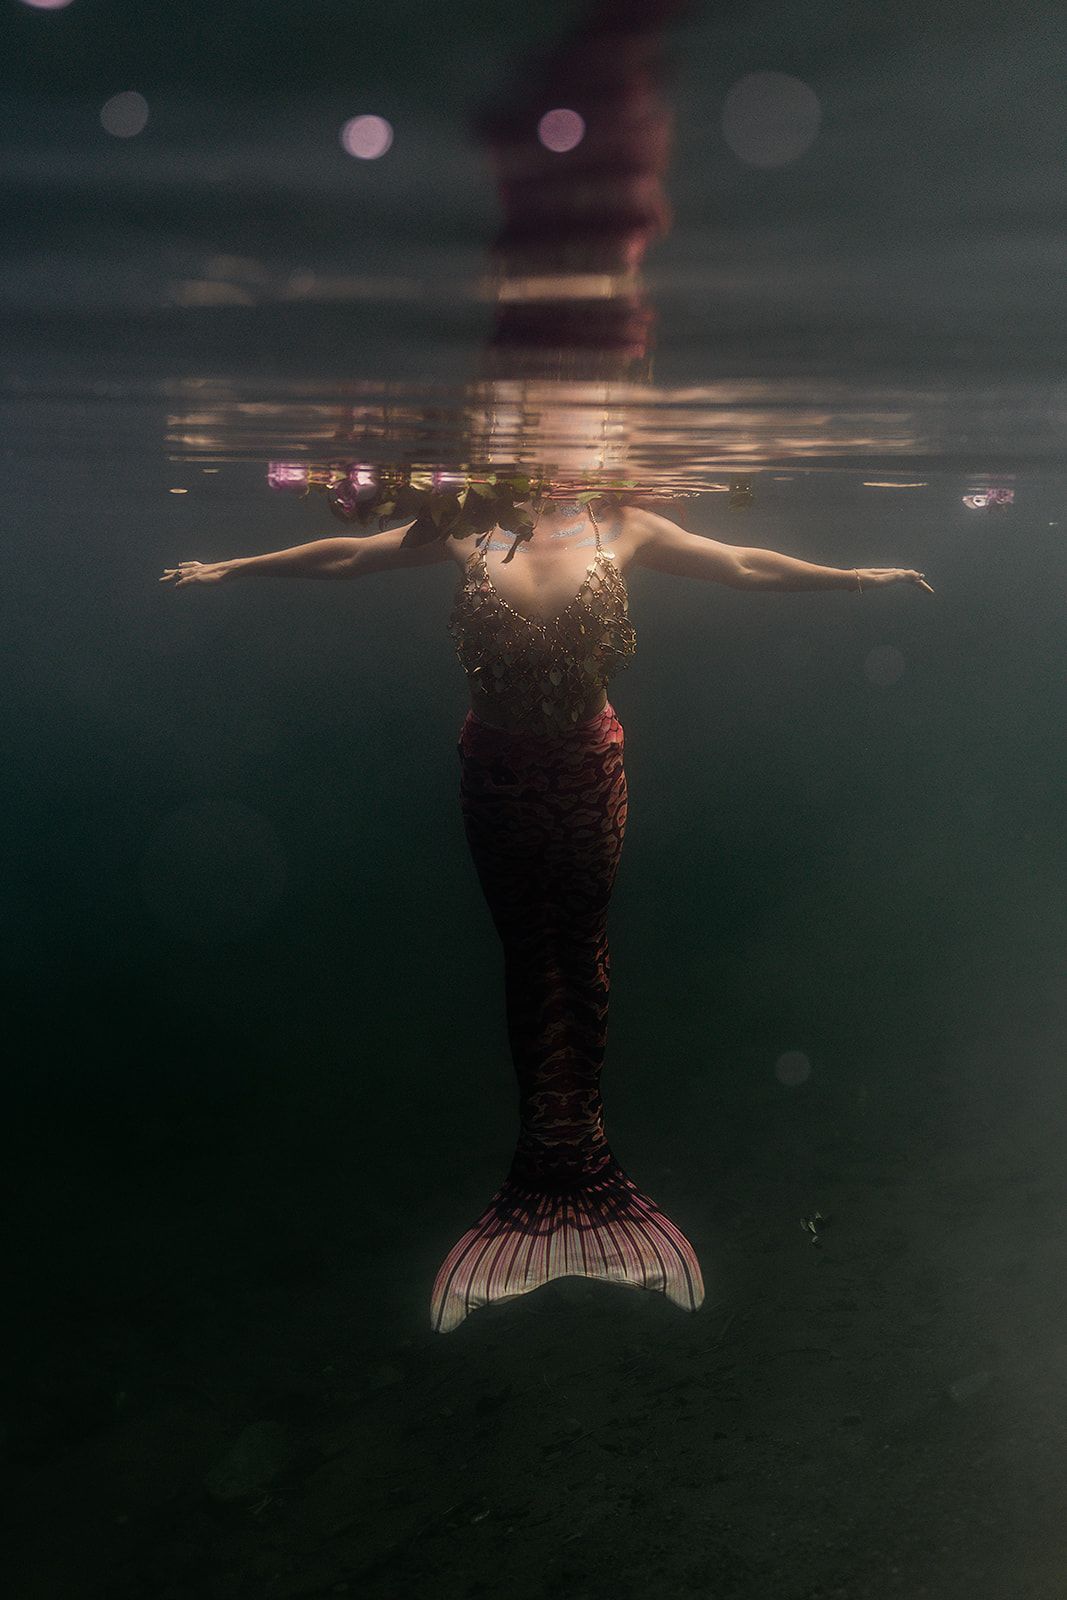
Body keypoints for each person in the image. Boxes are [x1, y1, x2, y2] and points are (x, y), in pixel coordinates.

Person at [161, 493, 932, 1333]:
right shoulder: (462, 524)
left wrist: (850, 578)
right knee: (529, 951)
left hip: (582, 768)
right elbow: (350, 556)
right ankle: (551, 1175)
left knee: (579, 946)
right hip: (495, 771)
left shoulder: (624, 524)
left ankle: (578, 1170)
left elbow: (741, 562)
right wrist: (234, 566)